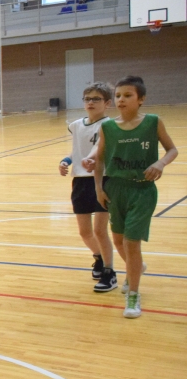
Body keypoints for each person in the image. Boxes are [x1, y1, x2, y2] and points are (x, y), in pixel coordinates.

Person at [85, 76, 178, 318]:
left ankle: (134, 295)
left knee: (131, 242)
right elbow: (100, 159)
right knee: (118, 240)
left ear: (141, 99)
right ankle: (135, 270)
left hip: (142, 190)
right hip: (115, 189)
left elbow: (172, 149)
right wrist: (99, 188)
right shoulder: (108, 127)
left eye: (127, 95)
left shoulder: (153, 122)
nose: (121, 100)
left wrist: (160, 163)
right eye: (118, 95)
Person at [60, 83, 116, 292]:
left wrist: (93, 160)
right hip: (80, 181)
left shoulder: (110, 125)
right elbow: (77, 151)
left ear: (107, 103)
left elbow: (100, 148)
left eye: (96, 99)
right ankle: (99, 257)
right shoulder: (76, 125)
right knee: (85, 232)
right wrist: (66, 160)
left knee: (100, 230)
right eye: (87, 99)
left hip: (103, 179)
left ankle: (110, 272)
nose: (91, 102)